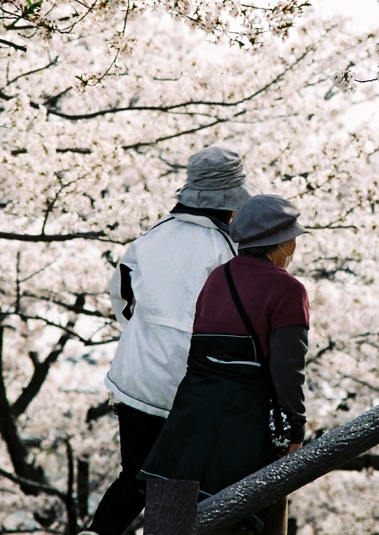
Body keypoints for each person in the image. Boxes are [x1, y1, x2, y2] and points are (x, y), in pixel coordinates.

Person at [83, 146, 259, 535]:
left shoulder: (149, 240)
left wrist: (151, 334)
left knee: (135, 477)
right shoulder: (227, 252)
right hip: (193, 388)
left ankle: (97, 532)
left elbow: (122, 297)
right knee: (190, 487)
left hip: (138, 378)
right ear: (232, 203)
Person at [138, 194, 310, 535]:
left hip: (191, 418)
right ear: (281, 243)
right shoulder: (288, 289)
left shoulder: (218, 277)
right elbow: (288, 368)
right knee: (246, 512)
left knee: (179, 515)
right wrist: (295, 427)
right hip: (244, 423)